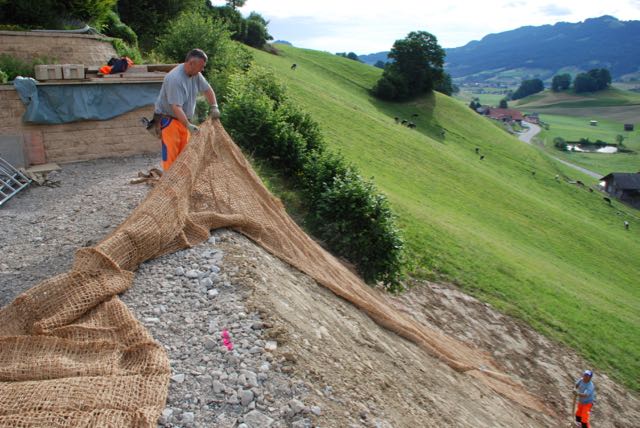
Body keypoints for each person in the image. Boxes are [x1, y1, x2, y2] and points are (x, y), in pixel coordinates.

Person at [154, 48, 220, 170]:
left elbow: (207, 89)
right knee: (171, 158)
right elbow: (176, 107)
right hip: (169, 121)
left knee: (184, 157)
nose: (203, 69)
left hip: (183, 121)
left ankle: (180, 181)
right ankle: (169, 181)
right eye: (201, 66)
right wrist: (188, 125)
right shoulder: (175, 79)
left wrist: (214, 106)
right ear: (191, 63)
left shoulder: (196, 74)